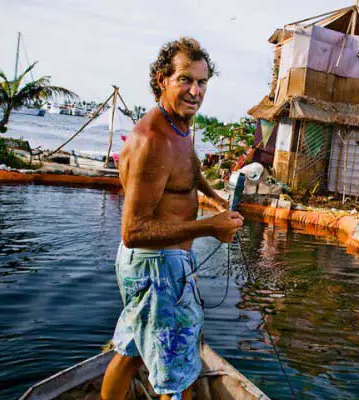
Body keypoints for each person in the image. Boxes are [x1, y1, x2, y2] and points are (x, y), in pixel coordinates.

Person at [101, 37, 243, 400]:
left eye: (202, 82)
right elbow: (133, 231)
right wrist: (210, 227)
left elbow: (190, 169)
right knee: (175, 380)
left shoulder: (180, 126)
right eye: (185, 79)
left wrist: (215, 198)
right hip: (157, 268)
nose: (195, 91)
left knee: (130, 352)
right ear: (163, 79)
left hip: (157, 266)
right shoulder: (154, 139)